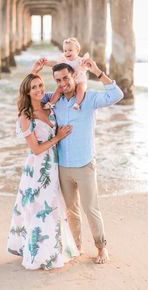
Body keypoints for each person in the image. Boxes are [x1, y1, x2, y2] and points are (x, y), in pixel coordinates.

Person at [36, 57, 124, 264]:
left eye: (65, 78)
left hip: (84, 164)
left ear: (74, 76)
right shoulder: (54, 101)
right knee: (71, 211)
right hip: (63, 166)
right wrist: (35, 70)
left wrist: (97, 71)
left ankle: (102, 247)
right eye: (57, 80)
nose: (62, 83)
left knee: (91, 209)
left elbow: (117, 95)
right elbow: (29, 96)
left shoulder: (89, 98)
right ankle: (77, 246)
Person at [7, 66, 79, 270]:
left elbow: (63, 86)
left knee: (54, 206)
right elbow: (36, 149)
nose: (39, 89)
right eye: (34, 88)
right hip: (38, 169)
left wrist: (37, 69)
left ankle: (55, 249)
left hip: (53, 165)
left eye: (40, 85)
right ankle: (39, 254)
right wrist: (58, 137)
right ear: (27, 92)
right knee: (41, 208)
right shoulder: (25, 116)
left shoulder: (49, 106)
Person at [44, 37, 89, 110]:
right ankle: (51, 103)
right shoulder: (64, 61)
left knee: (80, 89)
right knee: (59, 89)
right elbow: (55, 63)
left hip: (79, 81)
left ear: (77, 51)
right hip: (68, 82)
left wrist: (83, 66)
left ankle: (77, 104)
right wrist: (46, 63)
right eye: (65, 51)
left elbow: (86, 66)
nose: (67, 52)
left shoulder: (80, 60)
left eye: (70, 50)